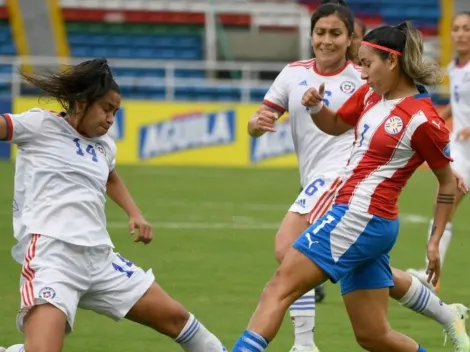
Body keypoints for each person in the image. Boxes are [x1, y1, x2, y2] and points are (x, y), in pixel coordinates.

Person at [250, 1, 470, 351]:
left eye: (367, 64)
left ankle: (302, 344)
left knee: (279, 287)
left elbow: (446, 181)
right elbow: (335, 124)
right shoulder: (370, 94)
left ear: (392, 61)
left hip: (359, 214)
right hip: (365, 218)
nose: (362, 73)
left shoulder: (422, 119)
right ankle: (447, 315)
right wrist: (316, 106)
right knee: (372, 336)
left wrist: (434, 241)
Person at [0, 58, 227, 352]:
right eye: (106, 109)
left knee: (177, 319)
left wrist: (135, 214)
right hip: (52, 256)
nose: (110, 119)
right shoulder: (40, 125)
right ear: (82, 103)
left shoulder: (105, 145)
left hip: (100, 259)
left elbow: (111, 177)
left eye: (116, 113)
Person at [407, 11, 470, 292]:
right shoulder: (455, 68)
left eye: (466, 28)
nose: (460, 33)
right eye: (456, 28)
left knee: (444, 206)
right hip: (461, 150)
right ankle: (431, 272)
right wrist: (439, 117)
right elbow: (458, 106)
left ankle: (431, 273)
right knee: (443, 203)